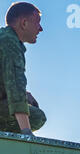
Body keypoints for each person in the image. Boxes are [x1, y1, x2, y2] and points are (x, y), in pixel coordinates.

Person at [0, 2, 46, 136]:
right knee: (37, 117)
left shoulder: (4, 37)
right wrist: (26, 133)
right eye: (37, 22)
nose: (41, 28)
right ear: (24, 23)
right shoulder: (10, 42)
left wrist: (25, 94)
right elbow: (15, 87)